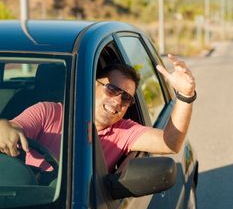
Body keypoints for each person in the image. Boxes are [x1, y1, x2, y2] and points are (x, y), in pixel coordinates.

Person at [0, 54, 196, 173]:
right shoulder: (48, 112)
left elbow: (170, 142)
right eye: (111, 89)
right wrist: (4, 126)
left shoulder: (123, 132)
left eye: (126, 98)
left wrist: (185, 96)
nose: (118, 101)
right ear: (92, 87)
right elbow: (14, 127)